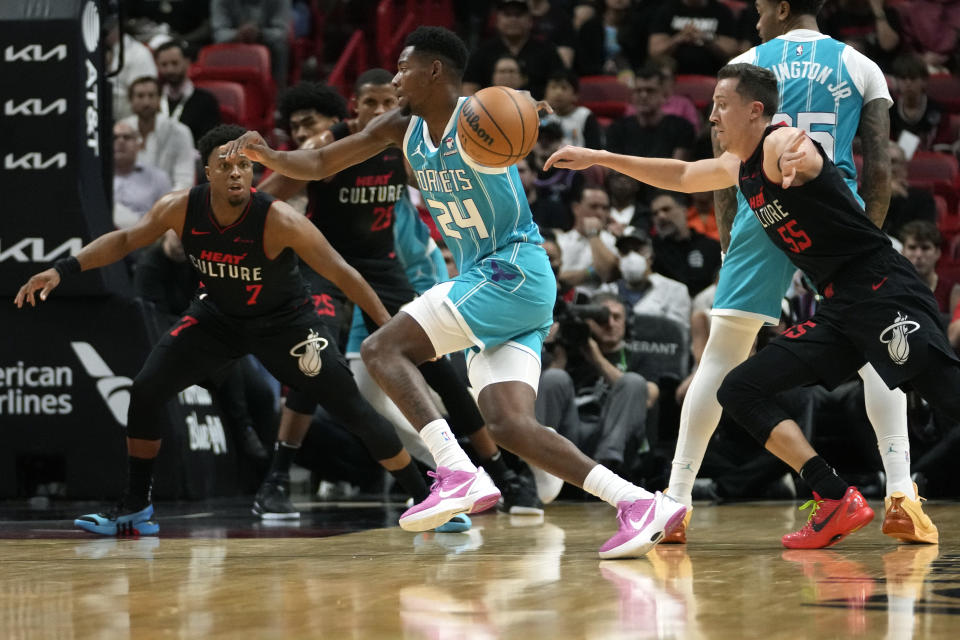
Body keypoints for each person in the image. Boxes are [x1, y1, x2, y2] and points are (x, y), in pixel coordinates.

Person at [224, 26, 687, 559]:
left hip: (508, 270)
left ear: (435, 70)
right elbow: (324, 163)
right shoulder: (401, 127)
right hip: (506, 282)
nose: (394, 78)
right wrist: (270, 156)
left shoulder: (481, 117)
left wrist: (526, 109)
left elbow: (513, 110)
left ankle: (455, 471)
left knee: (381, 349)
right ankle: (637, 503)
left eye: (403, 67)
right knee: (508, 424)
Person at [545, 62, 959, 549]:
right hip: (839, 308)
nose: (713, 116)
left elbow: (797, 147)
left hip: (883, 292)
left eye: (722, 104)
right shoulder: (737, 167)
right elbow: (679, 173)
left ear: (755, 110)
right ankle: (832, 496)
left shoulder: (779, 142)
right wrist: (599, 155)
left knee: (950, 398)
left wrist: (795, 157)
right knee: (740, 389)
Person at [15, 124, 431, 536]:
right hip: (217, 319)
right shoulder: (179, 207)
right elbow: (126, 240)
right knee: (145, 390)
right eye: (225, 165)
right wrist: (62, 269)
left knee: (353, 408)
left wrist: (388, 329)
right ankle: (135, 507)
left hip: (286, 324)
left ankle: (427, 498)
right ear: (207, 173)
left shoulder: (279, 219)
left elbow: (344, 274)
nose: (236, 173)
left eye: (244, 166)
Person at [662, 0, 933, 546]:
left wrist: (728, 243)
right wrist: (868, 243)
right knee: (879, 354)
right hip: (836, 219)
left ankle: (675, 501)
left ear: (782, 9)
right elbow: (879, 164)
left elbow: (724, 172)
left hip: (761, 217)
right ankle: (901, 493)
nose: (758, 19)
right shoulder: (862, 65)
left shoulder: (744, 66)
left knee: (722, 354)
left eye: (762, 8)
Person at [256, 71, 543, 518]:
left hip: (381, 269)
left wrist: (507, 120)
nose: (380, 111)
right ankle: (275, 479)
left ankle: (501, 474)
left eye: (388, 101)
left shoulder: (403, 149)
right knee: (315, 359)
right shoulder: (330, 148)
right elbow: (266, 199)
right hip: (326, 267)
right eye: (370, 103)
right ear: (353, 109)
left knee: (437, 368)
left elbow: (449, 174)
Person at [537, 293, 660, 474]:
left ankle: (606, 469)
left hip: (613, 438)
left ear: (627, 322)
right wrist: (559, 354)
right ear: (588, 323)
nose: (610, 324)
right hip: (570, 435)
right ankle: (539, 466)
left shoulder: (639, 356)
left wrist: (596, 358)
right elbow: (544, 394)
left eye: (617, 317)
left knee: (633, 381)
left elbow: (649, 396)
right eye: (601, 318)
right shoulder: (570, 349)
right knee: (554, 377)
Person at [462, 0, 566, 99]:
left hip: (537, 112)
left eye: (518, 15)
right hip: (490, 112)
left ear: (530, 20)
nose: (513, 19)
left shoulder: (547, 51)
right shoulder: (483, 51)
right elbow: (468, 86)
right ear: (497, 20)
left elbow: (560, 84)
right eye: (507, 15)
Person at [122, 76, 196, 191]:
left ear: (159, 99)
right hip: (128, 201)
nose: (146, 102)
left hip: (169, 201)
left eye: (151, 96)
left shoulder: (180, 132)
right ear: (130, 100)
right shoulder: (121, 132)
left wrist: (163, 205)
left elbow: (184, 181)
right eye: (140, 96)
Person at [649, 191, 721, 297]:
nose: (661, 216)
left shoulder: (710, 246)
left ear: (684, 210)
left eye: (666, 209)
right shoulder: (653, 250)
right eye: (655, 213)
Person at [211, 0, 291, 89]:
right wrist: (238, 35)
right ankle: (224, 93)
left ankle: (278, 94)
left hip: (267, 45)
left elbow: (282, 33)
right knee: (215, 51)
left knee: (279, 47)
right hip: (233, 45)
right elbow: (218, 34)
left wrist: (260, 34)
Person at [557, 186, 620, 297]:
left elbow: (608, 274)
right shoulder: (560, 241)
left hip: (602, 304)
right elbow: (556, 278)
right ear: (576, 208)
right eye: (593, 206)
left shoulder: (613, 241)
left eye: (605, 208)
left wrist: (593, 235)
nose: (600, 213)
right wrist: (591, 271)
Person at [154, 40, 221, 143]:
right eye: (164, 64)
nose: (170, 70)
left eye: (175, 63)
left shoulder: (205, 101)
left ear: (187, 62)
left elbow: (211, 142)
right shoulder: (153, 98)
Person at [113, 121, 172, 230]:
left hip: (145, 240)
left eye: (127, 137)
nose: (120, 141)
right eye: (114, 138)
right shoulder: (96, 179)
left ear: (138, 144)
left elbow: (169, 220)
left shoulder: (159, 178)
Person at [900, 220, 960, 316]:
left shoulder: (953, 292)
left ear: (937, 253)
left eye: (925, 248)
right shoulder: (893, 288)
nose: (918, 255)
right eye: (912, 247)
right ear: (902, 251)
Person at [541, 69, 603, 149]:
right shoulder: (544, 117)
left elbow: (595, 149)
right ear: (546, 93)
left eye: (564, 88)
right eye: (553, 87)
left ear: (575, 95)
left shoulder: (585, 116)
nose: (558, 93)